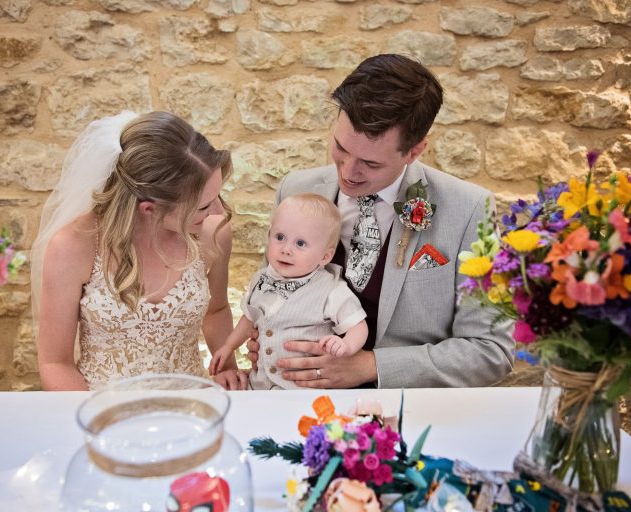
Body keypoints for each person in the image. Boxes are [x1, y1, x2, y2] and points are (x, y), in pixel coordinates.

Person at [216, 54, 514, 390]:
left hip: (405, 416)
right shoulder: (295, 189)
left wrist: (372, 366)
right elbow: (272, 295)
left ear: (414, 152)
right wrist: (263, 340)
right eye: (341, 148)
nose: (348, 172)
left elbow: (492, 352)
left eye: (370, 164)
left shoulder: (469, 209)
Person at [31, 111, 236, 390]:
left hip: (191, 406)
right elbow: (55, 363)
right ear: (149, 209)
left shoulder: (214, 232)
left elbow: (217, 310)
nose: (219, 211)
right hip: (105, 411)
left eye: (217, 197)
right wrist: (100, 423)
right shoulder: (73, 246)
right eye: (202, 206)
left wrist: (227, 368)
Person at [208, 194, 368, 389]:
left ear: (325, 256)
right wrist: (229, 346)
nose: (285, 249)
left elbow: (358, 325)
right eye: (280, 237)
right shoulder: (261, 279)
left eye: (300, 244)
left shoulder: (331, 289)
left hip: (304, 389)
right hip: (259, 384)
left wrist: (346, 346)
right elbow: (249, 318)